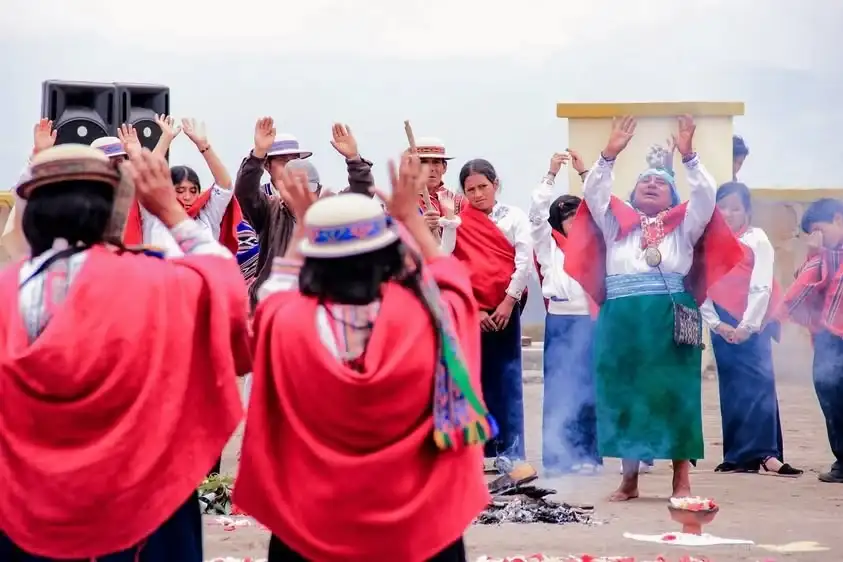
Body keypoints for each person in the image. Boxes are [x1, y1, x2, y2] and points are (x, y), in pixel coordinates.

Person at [235, 153, 492, 561]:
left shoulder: (284, 322)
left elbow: (275, 288)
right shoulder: (431, 317)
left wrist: (304, 223)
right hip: (419, 530)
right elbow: (452, 281)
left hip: (311, 525)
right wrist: (409, 218)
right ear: (388, 254)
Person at [0, 146, 250, 560]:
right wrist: (171, 213)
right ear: (113, 208)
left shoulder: (7, 292)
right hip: (145, 508)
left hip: (28, 512)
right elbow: (227, 290)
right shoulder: (155, 280)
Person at [564, 116, 743, 501]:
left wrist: (690, 156)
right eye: (645, 180)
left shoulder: (685, 225)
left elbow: (706, 196)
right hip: (622, 317)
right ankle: (629, 480)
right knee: (624, 391)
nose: (651, 184)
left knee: (675, 392)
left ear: (673, 197)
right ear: (631, 193)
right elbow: (594, 192)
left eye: (661, 182)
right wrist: (609, 154)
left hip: (670, 315)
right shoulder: (616, 224)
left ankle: (681, 478)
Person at [701, 182, 802, 476]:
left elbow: (761, 286)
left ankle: (766, 453)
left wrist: (747, 325)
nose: (728, 213)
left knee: (758, 384)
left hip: (753, 318)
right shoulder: (708, 241)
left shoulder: (757, 239)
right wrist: (716, 323)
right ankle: (737, 456)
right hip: (721, 319)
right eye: (723, 207)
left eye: (735, 208)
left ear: (747, 211)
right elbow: (701, 284)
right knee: (731, 385)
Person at [234, 118, 375, 310]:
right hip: (274, 304)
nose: (291, 168)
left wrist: (354, 160)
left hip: (320, 302)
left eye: (295, 161)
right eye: (284, 161)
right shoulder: (269, 209)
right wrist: (257, 154)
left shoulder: (327, 208)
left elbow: (362, 195)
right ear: (268, 166)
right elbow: (244, 191)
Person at [443, 159, 532, 462]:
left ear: (496, 184)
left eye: (483, 187)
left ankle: (512, 451)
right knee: (476, 379)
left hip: (507, 306)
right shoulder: (457, 221)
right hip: (472, 311)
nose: (478, 194)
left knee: (508, 378)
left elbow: (523, 262)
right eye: (471, 189)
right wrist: (476, 308)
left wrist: (509, 302)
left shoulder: (514, 217)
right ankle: (481, 452)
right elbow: (450, 262)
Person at [529, 151, 601, 475]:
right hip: (559, 320)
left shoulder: (595, 243)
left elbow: (601, 206)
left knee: (587, 387)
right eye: (566, 216)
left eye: (577, 215)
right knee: (559, 387)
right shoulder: (548, 245)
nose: (573, 221)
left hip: (588, 321)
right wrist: (550, 174)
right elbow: (535, 216)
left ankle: (587, 454)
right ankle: (558, 456)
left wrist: (585, 173)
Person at [781, 197, 843, 484]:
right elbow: (803, 291)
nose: (819, 237)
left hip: (835, 335)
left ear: (839, 219)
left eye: (821, 229)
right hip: (829, 338)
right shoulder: (823, 255)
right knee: (829, 392)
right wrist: (814, 254)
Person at [124, 117, 242, 256]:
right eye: (179, 191)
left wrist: (204, 146)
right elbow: (148, 176)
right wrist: (165, 138)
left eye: (193, 191)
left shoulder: (207, 216)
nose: (187, 197)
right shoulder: (153, 215)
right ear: (167, 190)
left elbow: (225, 186)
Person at [413, 137, 465, 235]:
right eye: (424, 162)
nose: (431, 168)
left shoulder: (459, 202)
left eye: (436, 162)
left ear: (444, 167)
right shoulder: (404, 202)